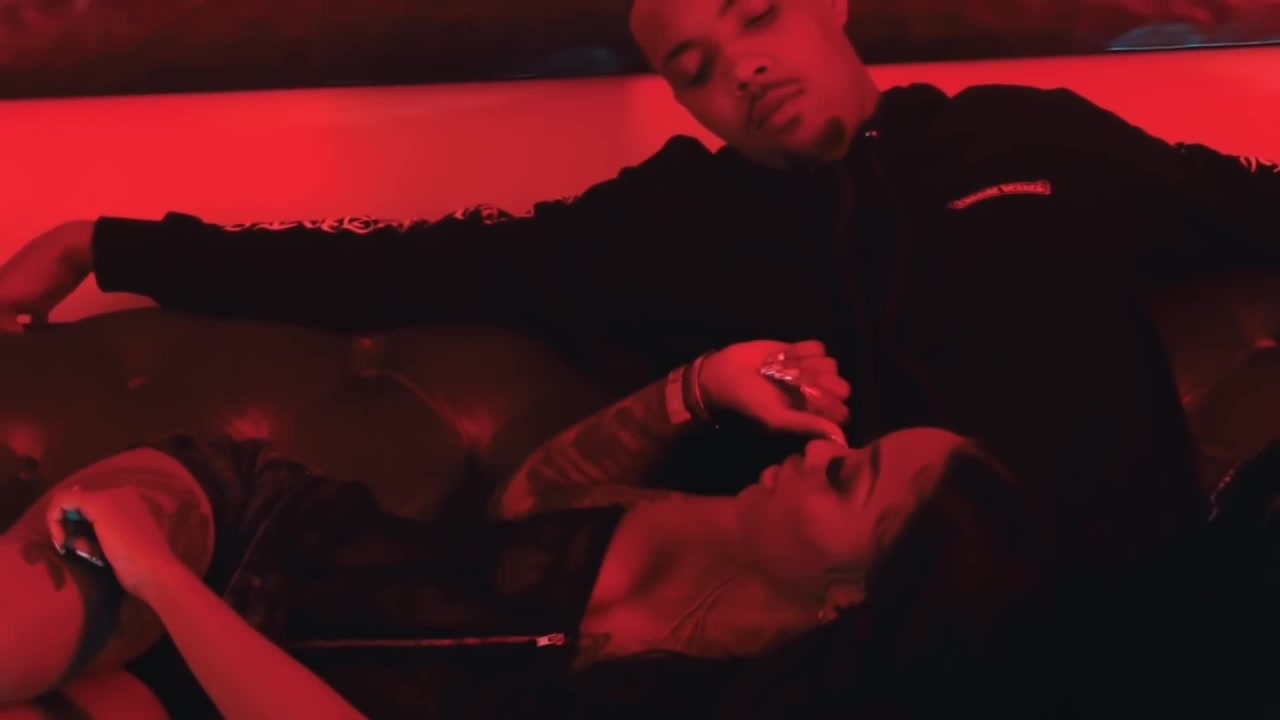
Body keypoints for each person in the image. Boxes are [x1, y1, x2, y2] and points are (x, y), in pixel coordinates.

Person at [1, 0, 1276, 708]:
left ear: (826, 5)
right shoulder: (671, 224)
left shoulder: (1034, 138)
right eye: (695, 68)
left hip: (1146, 635)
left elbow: (1252, 201)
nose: (742, 69)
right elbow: (411, 260)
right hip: (871, 670)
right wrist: (107, 242)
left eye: (757, 16)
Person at [0, 339, 1048, 718]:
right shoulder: (698, 523)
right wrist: (700, 385)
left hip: (214, 666)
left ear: (852, 599)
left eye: (848, 479)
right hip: (243, 528)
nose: (818, 451)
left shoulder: (707, 703)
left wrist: (158, 583)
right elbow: (533, 499)